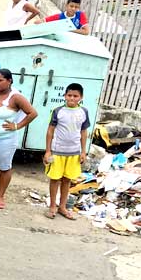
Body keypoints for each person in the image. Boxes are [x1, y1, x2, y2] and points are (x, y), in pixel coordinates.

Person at [0, 68, 38, 209]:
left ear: (9, 81)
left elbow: (32, 113)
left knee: (4, 167)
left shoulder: (16, 97)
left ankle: (0, 196)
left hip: (5, 139)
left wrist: (17, 125)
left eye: (0, 80)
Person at [44, 83, 90, 220]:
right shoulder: (58, 111)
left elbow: (83, 132)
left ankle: (62, 207)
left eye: (75, 96)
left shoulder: (83, 112)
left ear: (81, 97)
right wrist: (48, 151)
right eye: (69, 95)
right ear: (64, 96)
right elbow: (50, 131)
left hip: (74, 152)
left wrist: (83, 151)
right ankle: (52, 206)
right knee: (55, 179)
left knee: (67, 179)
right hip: (57, 151)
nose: (72, 98)